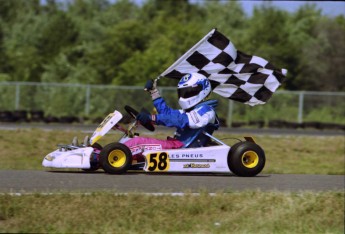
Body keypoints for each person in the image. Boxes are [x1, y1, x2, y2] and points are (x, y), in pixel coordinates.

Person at [123, 73, 219, 162]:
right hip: (176, 146)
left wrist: (152, 118)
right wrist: (154, 92)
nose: (184, 96)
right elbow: (167, 114)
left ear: (203, 90)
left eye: (189, 92)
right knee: (133, 143)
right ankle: (121, 156)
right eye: (182, 92)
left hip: (182, 150)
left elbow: (181, 120)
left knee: (138, 143)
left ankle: (116, 154)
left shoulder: (206, 110)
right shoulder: (191, 111)